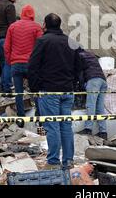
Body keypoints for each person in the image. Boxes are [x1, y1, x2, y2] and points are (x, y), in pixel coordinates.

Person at [28, 13, 81, 170]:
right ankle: (68, 161)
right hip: (67, 90)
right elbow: (79, 65)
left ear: (45, 24)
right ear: (59, 25)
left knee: (52, 126)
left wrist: (35, 88)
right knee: (66, 126)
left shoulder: (43, 41)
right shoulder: (70, 41)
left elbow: (32, 66)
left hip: (49, 90)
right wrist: (73, 82)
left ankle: (53, 162)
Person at [4, 5, 43, 120]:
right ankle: (39, 115)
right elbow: (40, 47)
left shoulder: (12, 26)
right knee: (35, 90)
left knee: (18, 92)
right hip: (31, 64)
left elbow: (7, 47)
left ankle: (21, 118)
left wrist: (10, 61)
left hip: (16, 64)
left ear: (22, 13)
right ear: (32, 14)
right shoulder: (37, 27)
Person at [0, 0, 20, 93]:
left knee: (3, 63)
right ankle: (7, 87)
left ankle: (2, 86)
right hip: (6, 38)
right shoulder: (9, 6)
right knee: (9, 63)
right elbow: (12, 25)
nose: (15, 1)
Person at [77, 50, 108, 140]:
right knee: (100, 108)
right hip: (103, 80)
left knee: (90, 105)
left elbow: (80, 73)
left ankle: (88, 129)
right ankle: (103, 132)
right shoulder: (91, 55)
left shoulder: (78, 56)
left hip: (93, 80)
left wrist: (81, 85)